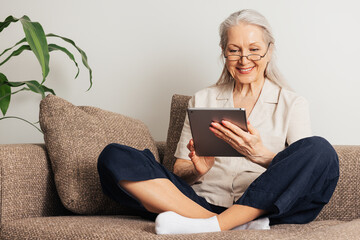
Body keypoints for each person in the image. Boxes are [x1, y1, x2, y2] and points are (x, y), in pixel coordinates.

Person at [97, 9, 339, 234]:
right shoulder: (203, 99)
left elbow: (305, 173)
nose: (244, 59)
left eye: (254, 49)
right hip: (200, 201)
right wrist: (198, 169)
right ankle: (220, 223)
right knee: (114, 156)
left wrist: (260, 155)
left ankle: (217, 223)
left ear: (269, 50)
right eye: (234, 50)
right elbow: (180, 172)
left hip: (264, 207)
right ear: (224, 51)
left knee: (321, 151)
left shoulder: (292, 104)